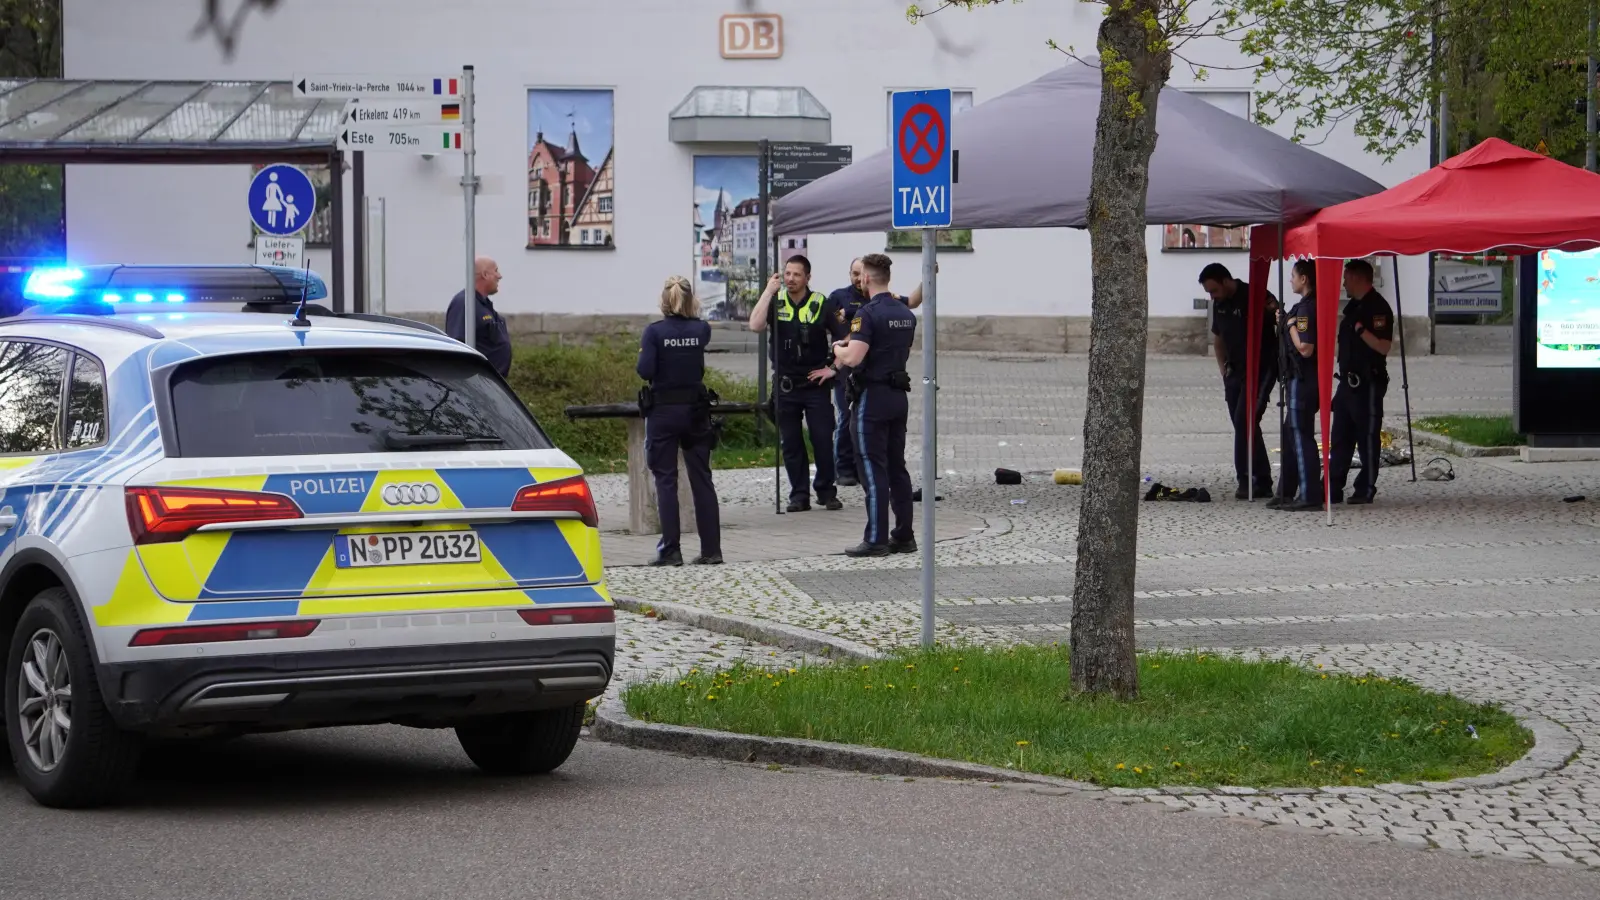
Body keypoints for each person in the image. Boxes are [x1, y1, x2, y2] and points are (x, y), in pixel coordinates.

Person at [830, 253, 917, 557]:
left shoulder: (867, 314)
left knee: (871, 467)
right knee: (897, 467)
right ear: (888, 277)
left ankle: (876, 539)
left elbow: (854, 357)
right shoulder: (906, 314)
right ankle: (904, 535)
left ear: (866, 278)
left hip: (872, 397)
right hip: (898, 396)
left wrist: (836, 348)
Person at [636, 275, 722, 566]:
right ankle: (712, 549)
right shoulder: (702, 329)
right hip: (696, 412)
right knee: (702, 478)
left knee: (666, 479)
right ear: (690, 300)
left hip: (663, 412)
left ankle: (671, 549)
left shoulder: (654, 332)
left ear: (664, 300)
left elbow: (645, 370)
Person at [750, 255, 842, 512]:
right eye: (787, 274)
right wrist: (768, 291)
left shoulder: (822, 303)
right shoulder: (775, 300)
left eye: (796, 275)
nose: (790, 279)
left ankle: (826, 490)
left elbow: (845, 336)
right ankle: (799, 494)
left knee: (822, 438)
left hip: (815, 384)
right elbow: (755, 325)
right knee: (790, 442)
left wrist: (833, 369)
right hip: (785, 384)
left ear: (807, 278)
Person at [827, 257, 926, 488]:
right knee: (845, 419)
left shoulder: (885, 301)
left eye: (860, 273)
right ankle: (844, 468)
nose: (857, 277)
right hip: (849, 373)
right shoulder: (839, 297)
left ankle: (864, 475)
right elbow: (825, 323)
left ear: (867, 276)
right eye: (853, 272)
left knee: (876, 459)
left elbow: (912, 301)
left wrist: (927, 278)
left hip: (866, 375)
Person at [1200, 262, 1279, 500]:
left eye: (1213, 290)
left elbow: (1278, 316)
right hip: (1234, 372)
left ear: (1225, 280)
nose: (1212, 296)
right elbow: (1218, 339)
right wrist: (1223, 369)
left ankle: (1246, 479)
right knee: (1243, 424)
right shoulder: (1220, 304)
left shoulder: (1256, 295)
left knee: (1246, 420)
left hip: (1261, 369)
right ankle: (1261, 479)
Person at [1330, 258, 1395, 505]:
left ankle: (1365, 487)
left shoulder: (1377, 308)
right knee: (1340, 437)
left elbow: (1383, 346)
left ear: (1358, 278)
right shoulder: (1353, 308)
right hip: (1347, 384)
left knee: (1367, 437)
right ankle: (1333, 485)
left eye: (1346, 277)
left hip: (1368, 384)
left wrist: (1361, 330)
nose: (1343, 282)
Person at [1272, 259, 1323, 512]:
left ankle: (1310, 494)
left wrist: (1290, 325)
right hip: (1298, 379)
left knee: (1301, 436)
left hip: (1302, 380)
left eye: (1293, 276)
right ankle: (1286, 491)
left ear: (1304, 279)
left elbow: (1305, 348)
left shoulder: (1306, 310)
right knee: (1290, 434)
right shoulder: (1303, 306)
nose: (1290, 280)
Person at [446, 256, 513, 378]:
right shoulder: (464, 303)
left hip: (490, 383)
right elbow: (456, 347)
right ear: (485, 275)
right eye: (496, 271)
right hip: (476, 383)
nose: (499, 276)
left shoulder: (483, 304)